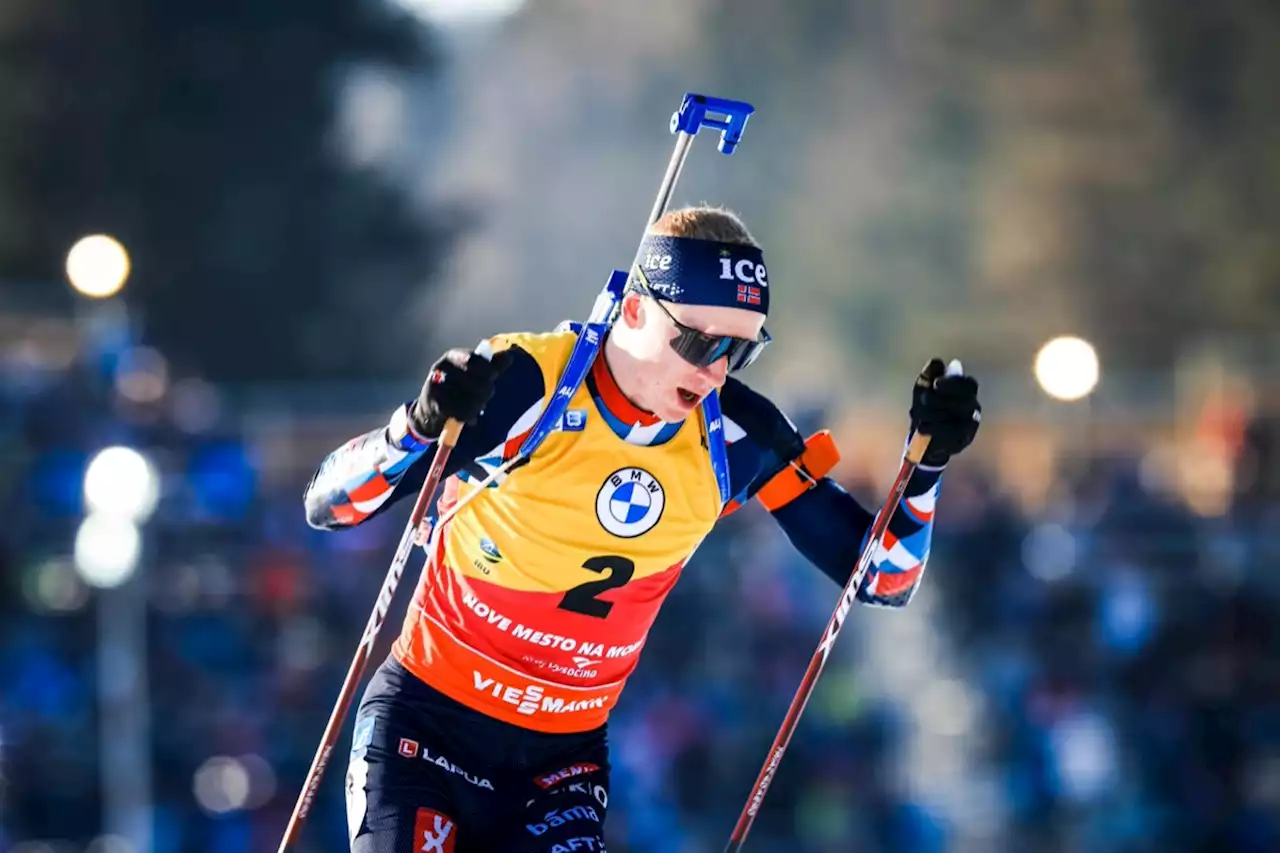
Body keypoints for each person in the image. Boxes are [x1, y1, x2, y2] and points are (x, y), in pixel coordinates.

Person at [304, 206, 981, 852]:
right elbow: (331, 505)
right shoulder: (528, 382)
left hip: (559, 758)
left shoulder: (738, 436)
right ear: (633, 308)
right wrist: (419, 425)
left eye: (740, 351)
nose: (714, 370)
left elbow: (885, 580)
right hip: (429, 726)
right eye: (698, 341)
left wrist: (926, 464)